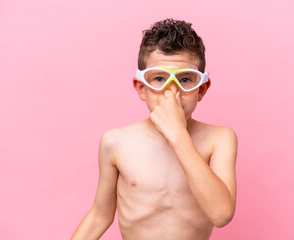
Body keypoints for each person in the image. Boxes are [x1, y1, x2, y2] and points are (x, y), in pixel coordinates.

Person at [71, 18, 238, 240]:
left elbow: (221, 214)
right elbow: (100, 215)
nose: (172, 92)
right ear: (142, 88)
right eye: (159, 78)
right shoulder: (116, 142)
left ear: (201, 89)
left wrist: (178, 134)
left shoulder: (219, 139)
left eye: (186, 80)